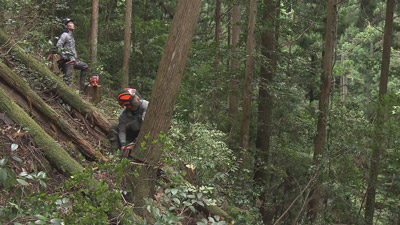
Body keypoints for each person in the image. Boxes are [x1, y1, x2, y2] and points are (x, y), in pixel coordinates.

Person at [109, 88, 149, 155]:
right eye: (134, 98)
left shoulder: (146, 106)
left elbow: (146, 126)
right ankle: (115, 153)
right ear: (128, 104)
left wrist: (135, 142)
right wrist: (123, 144)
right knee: (114, 128)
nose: (137, 98)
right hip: (133, 131)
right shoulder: (123, 115)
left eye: (136, 95)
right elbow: (122, 131)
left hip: (145, 132)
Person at [56, 17, 89, 91]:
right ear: (65, 26)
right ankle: (63, 98)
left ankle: (82, 86)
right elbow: (58, 45)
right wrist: (63, 56)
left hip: (74, 60)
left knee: (85, 67)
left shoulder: (71, 36)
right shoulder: (65, 35)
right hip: (68, 62)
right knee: (67, 81)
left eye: (72, 23)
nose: (72, 24)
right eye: (70, 23)